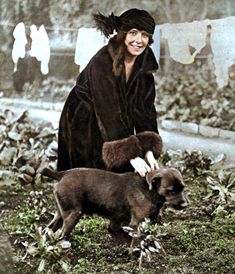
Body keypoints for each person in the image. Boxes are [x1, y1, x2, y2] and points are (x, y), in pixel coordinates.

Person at [57, 8, 163, 176]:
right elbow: (108, 110)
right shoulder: (103, 63)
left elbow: (145, 111)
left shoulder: (145, 67)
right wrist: (130, 154)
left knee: (125, 177)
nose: (139, 40)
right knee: (89, 179)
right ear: (122, 34)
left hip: (114, 120)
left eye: (145, 35)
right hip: (84, 117)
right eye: (133, 33)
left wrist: (148, 150)